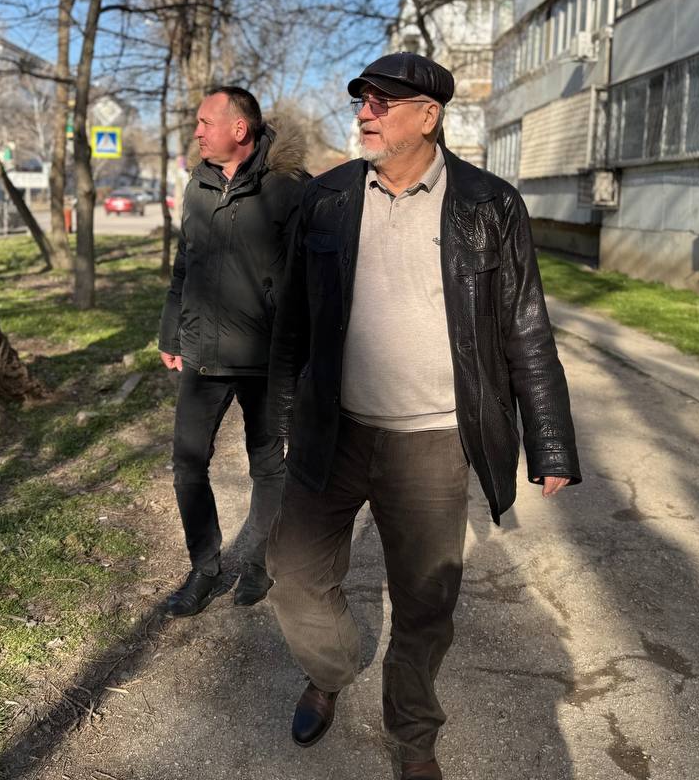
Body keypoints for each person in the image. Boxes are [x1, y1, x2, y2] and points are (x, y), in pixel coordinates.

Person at [265, 53, 580, 779]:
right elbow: (294, 319)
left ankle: (413, 738)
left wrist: (550, 442)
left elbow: (526, 328)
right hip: (335, 429)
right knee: (294, 570)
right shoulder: (329, 198)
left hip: (433, 442)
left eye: (381, 103)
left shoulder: (489, 204)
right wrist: (281, 415)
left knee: (425, 603)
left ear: (428, 116)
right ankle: (331, 669)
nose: (364, 115)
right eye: (362, 102)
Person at [158, 85, 308, 616]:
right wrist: (171, 332)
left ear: (238, 129)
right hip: (202, 352)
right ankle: (204, 568)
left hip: (266, 358)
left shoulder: (289, 189)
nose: (197, 131)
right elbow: (185, 263)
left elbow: (308, 280)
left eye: (205, 122)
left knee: (267, 465)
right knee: (187, 463)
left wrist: (300, 351)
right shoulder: (197, 186)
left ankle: (262, 561)